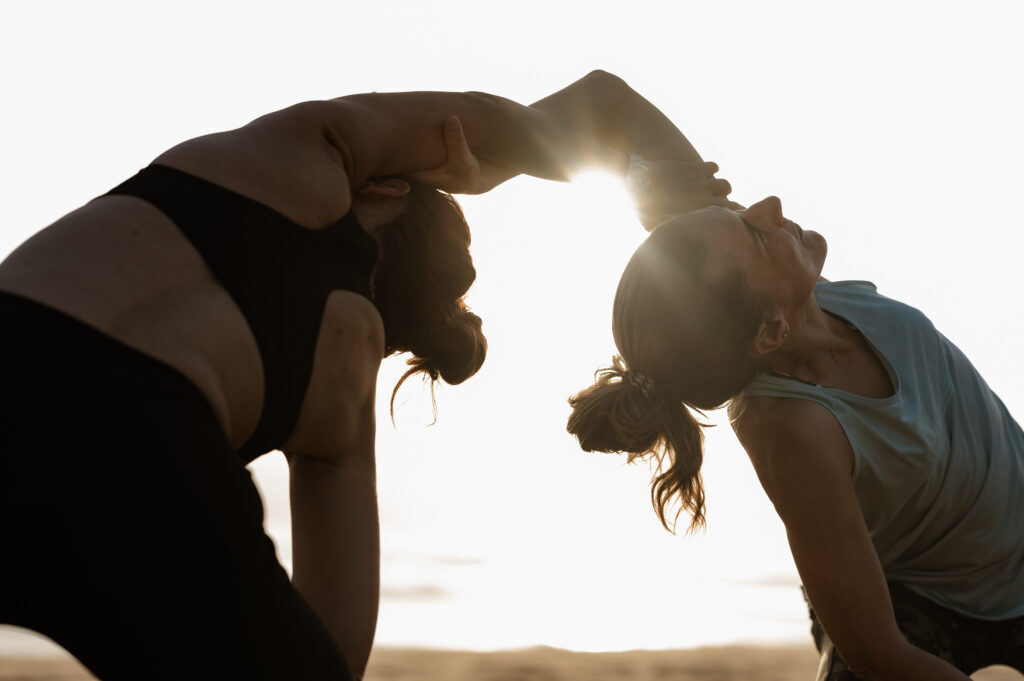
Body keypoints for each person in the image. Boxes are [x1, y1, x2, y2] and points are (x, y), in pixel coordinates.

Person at [0, 72, 731, 680]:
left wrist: (657, 184)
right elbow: (336, 654)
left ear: (383, 191)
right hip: (151, 482)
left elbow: (591, 104)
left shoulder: (300, 162)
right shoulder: (344, 375)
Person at [566, 92, 1024, 677]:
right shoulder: (790, 427)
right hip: (914, 605)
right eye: (755, 236)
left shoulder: (776, 291)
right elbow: (877, 650)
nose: (768, 207)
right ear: (769, 330)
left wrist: (517, 145)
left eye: (738, 218)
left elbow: (610, 102)